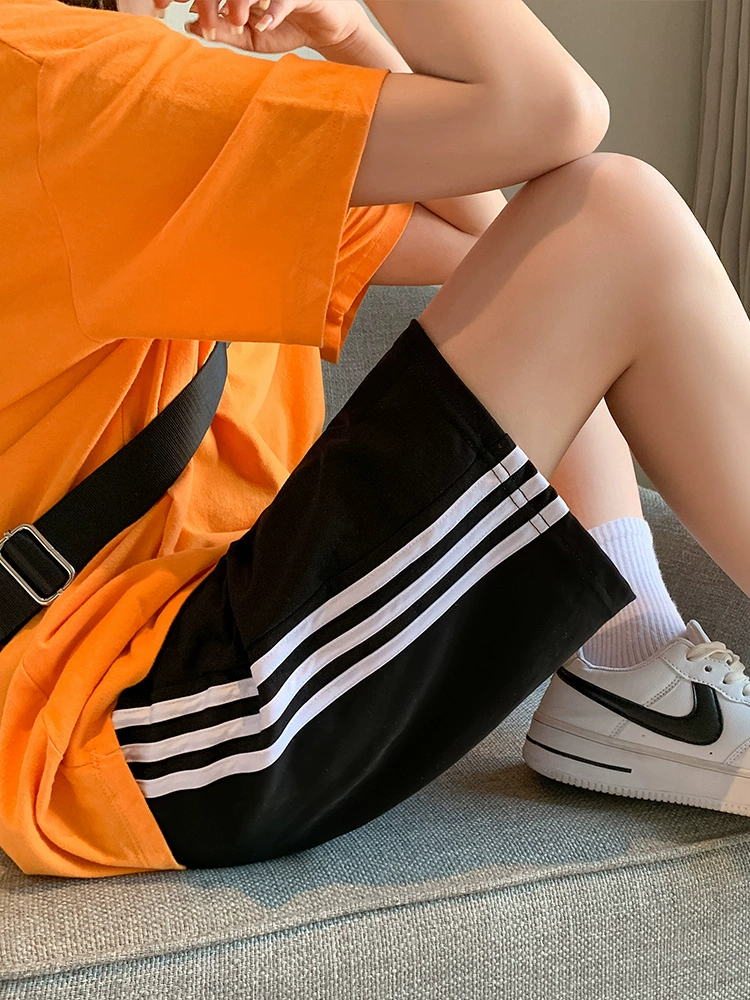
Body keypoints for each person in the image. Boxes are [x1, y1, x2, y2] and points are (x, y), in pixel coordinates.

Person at [0, 0, 747, 880]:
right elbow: (554, 113)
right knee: (623, 211)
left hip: (209, 647)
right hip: (130, 723)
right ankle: (628, 673)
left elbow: (510, 242)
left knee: (602, 220)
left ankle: (630, 663)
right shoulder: (64, 82)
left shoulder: (104, 99)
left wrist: (349, 37)